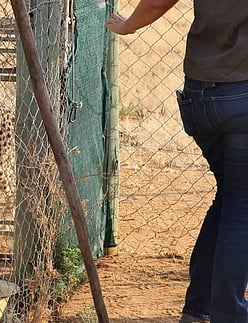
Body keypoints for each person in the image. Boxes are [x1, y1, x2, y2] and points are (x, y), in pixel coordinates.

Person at [106, 1, 248, 323]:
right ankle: (229, 315)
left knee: (231, 197)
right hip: (242, 99)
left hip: (199, 97)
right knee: (241, 208)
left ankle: (198, 308)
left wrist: (129, 25)